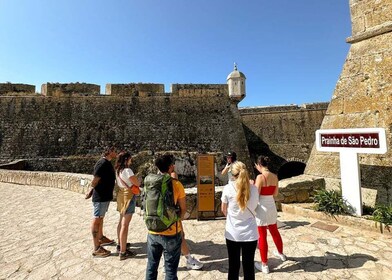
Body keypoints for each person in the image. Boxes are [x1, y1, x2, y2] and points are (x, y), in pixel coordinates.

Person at [145, 154, 187, 280]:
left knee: (151, 266)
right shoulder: (176, 184)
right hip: (171, 231)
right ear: (170, 167)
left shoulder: (150, 182)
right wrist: (177, 219)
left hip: (153, 229)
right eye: (172, 164)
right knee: (170, 270)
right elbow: (183, 209)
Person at [221, 161, 259, 280]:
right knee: (249, 267)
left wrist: (233, 216)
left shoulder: (228, 188)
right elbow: (255, 207)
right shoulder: (254, 189)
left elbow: (223, 210)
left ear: (232, 174)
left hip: (233, 233)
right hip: (250, 233)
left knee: (233, 266)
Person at [169, 156, 204, 270]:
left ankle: (168, 263)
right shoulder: (173, 178)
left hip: (161, 216)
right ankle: (189, 259)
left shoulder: (157, 179)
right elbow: (181, 203)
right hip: (173, 215)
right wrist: (181, 215)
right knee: (180, 236)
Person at [254, 156, 286, 274]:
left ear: (259, 165)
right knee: (274, 230)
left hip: (262, 207)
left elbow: (255, 194)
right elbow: (276, 193)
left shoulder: (260, 177)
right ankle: (281, 253)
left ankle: (264, 264)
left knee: (262, 235)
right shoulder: (275, 176)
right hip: (271, 205)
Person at [90, 146, 117, 258]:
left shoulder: (106, 162)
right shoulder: (101, 163)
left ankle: (101, 238)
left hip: (104, 196)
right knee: (97, 219)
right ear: (109, 151)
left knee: (100, 218)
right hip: (100, 197)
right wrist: (91, 191)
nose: (116, 152)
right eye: (114, 150)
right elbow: (95, 181)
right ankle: (96, 248)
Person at [115, 151, 141, 260]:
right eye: (130, 158)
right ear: (126, 159)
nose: (131, 160)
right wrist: (138, 180)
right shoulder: (127, 171)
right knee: (125, 225)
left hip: (121, 196)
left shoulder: (118, 170)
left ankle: (120, 244)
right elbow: (137, 183)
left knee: (121, 222)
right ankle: (123, 252)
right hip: (129, 197)